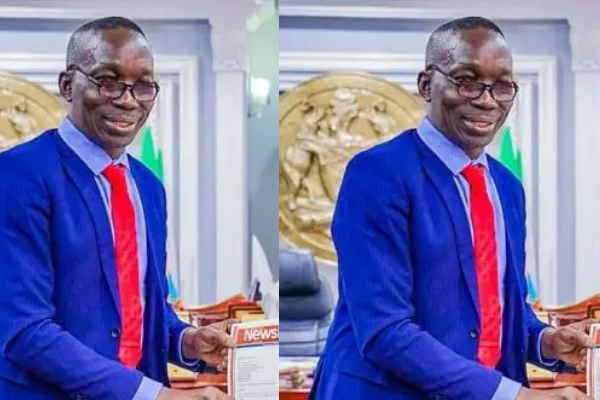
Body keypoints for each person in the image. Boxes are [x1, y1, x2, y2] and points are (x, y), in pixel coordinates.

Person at [309, 16, 594, 400]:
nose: (487, 100)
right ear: (427, 84)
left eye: (502, 86)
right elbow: (384, 330)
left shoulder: (508, 187)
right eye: (467, 81)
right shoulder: (377, 173)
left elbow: (498, 312)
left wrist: (547, 341)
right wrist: (516, 396)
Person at [0, 17, 233, 400]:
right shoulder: (17, 175)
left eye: (143, 86)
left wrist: (188, 341)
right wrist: (156, 396)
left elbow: (142, 309)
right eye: (108, 81)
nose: (128, 100)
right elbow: (26, 330)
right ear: (67, 85)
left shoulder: (148, 186)